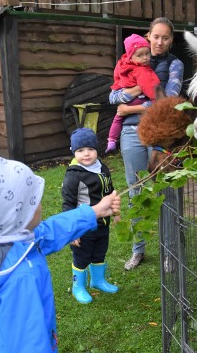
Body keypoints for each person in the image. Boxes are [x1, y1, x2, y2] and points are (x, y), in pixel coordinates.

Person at [0, 156, 121, 352]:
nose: (40, 205)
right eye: (35, 201)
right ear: (18, 216)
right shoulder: (20, 279)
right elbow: (29, 345)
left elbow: (50, 231)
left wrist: (93, 212)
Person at [109, 17, 185, 271]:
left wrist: (131, 106)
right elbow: (113, 95)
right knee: (136, 190)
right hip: (131, 133)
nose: (160, 42)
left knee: (165, 190)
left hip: (160, 134)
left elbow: (170, 99)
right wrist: (130, 95)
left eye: (165, 37)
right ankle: (138, 250)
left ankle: (169, 252)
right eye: (156, 36)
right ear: (148, 36)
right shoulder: (128, 59)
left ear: (171, 40)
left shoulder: (174, 64)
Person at [62, 128, 120, 303]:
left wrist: (116, 212)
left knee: (99, 252)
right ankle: (78, 286)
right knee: (82, 256)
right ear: (74, 152)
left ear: (97, 149)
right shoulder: (73, 176)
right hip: (83, 226)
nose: (86, 154)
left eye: (90, 149)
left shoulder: (102, 168)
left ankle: (97, 280)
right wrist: (73, 231)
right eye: (80, 151)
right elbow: (68, 204)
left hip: (103, 223)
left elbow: (110, 193)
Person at [105, 34, 160, 154]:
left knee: (118, 117)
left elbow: (116, 86)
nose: (145, 58)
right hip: (139, 102)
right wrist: (156, 100)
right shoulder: (142, 70)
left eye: (147, 53)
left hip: (126, 102)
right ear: (131, 57)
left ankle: (111, 141)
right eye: (140, 55)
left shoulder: (122, 65)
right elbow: (151, 87)